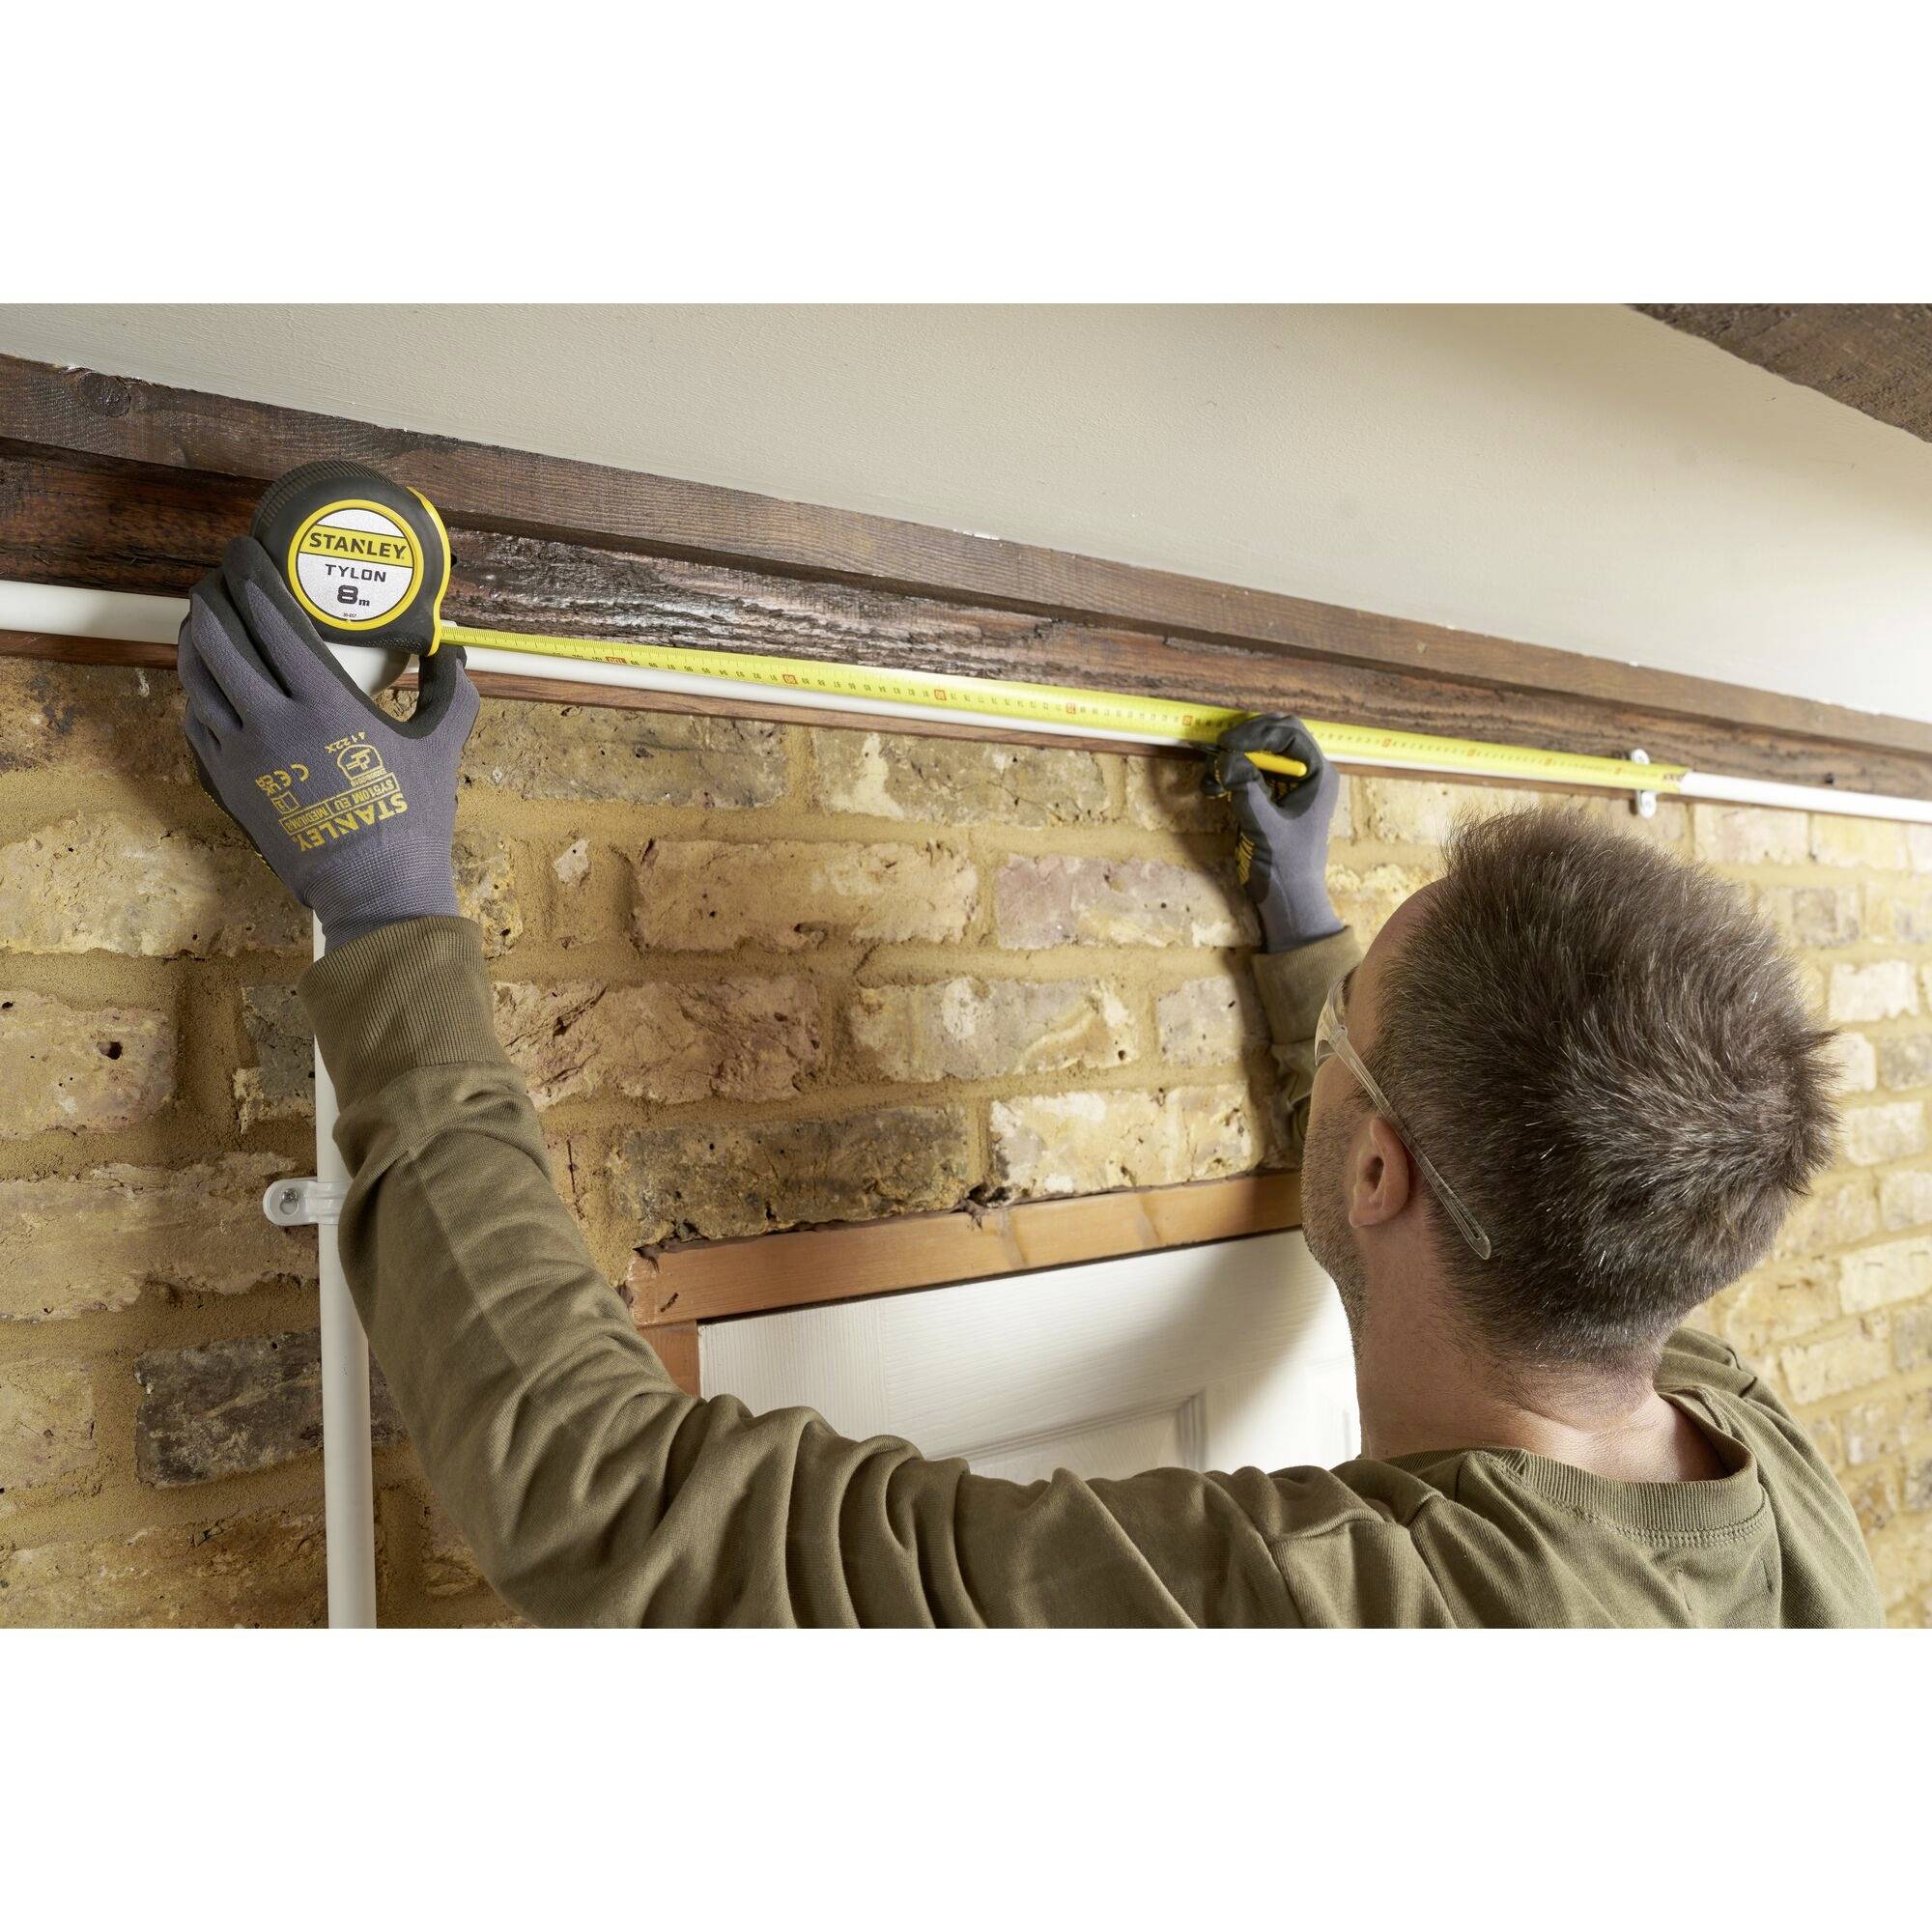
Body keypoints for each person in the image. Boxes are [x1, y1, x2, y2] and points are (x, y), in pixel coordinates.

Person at [177, 538, 1884, 1627]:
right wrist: (1309, 939)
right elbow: (1497, 1144)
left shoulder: (1327, 1616)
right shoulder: (1751, 1460)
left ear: (1383, 1177)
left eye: (1363, 1005)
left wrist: (385, 912)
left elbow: (616, 1509)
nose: (1342, 1004)